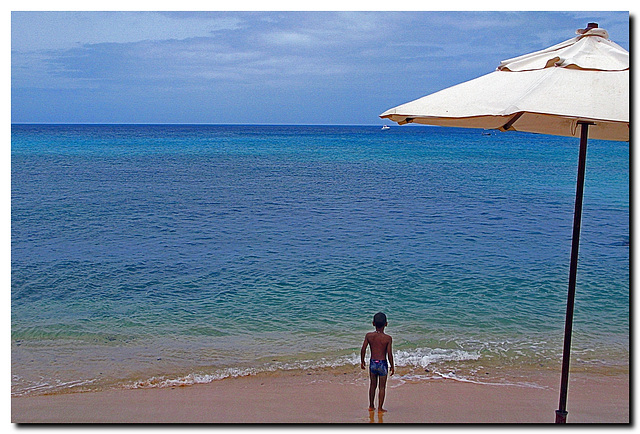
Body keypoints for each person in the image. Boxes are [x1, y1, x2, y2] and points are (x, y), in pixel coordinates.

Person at [360, 312, 394, 412]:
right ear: (386, 324)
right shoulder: (388, 338)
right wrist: (392, 366)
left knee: (372, 385)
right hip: (382, 364)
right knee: (382, 387)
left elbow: (363, 349)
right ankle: (380, 408)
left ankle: (371, 405)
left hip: (373, 363)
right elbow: (389, 353)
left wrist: (362, 361)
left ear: (373, 323)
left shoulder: (369, 336)